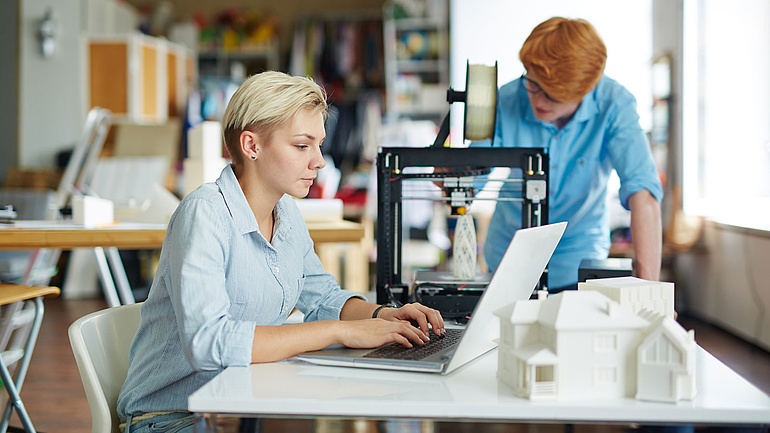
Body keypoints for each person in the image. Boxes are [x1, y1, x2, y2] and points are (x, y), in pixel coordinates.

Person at [116, 71, 445, 433]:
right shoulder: (205, 214)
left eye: (318, 145)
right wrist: (339, 332)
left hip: (242, 406)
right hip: (172, 420)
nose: (319, 161)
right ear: (251, 146)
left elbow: (323, 298)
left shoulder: (285, 212)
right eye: (302, 146)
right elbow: (208, 344)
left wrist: (385, 316)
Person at [477, 17, 663, 292]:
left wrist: (650, 292)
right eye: (533, 83)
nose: (538, 100)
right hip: (509, 253)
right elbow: (471, 174)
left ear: (584, 90)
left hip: (580, 255)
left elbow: (643, 194)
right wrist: (445, 174)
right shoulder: (506, 99)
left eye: (552, 95)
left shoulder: (614, 104)